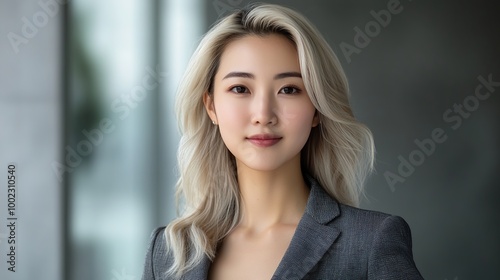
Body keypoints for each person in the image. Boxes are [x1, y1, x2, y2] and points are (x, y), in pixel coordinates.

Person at [142, 3, 423, 280]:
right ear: (211, 106)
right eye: (240, 88)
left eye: (289, 89)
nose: (263, 115)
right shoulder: (168, 253)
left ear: (317, 108)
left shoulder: (371, 243)